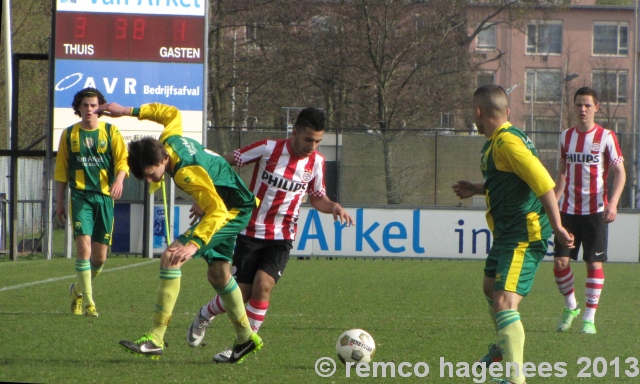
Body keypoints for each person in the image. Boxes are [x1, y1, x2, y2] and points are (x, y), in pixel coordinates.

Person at [185, 107, 354, 363]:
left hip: (282, 236)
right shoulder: (268, 149)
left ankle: (243, 345)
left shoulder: (316, 163)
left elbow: (318, 198)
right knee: (239, 295)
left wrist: (334, 207)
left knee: (263, 286)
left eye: (318, 141)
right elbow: (220, 163)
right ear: (294, 132)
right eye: (308, 139)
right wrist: (208, 197)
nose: (313, 146)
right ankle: (205, 315)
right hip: (249, 232)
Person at [100, 101, 262, 363]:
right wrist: (128, 111)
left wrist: (195, 244)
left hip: (231, 211)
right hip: (232, 204)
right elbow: (171, 113)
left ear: (164, 159)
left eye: (152, 174)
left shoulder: (185, 173)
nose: (152, 180)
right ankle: (245, 339)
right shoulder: (170, 140)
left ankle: (155, 338)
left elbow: (218, 211)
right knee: (219, 275)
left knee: (172, 256)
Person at [452, 84, 574, 384]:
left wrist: (557, 226)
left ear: (478, 112)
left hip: (524, 234)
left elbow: (542, 181)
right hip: (507, 235)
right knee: (490, 288)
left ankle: (515, 379)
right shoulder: (498, 142)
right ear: (506, 112)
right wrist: (478, 189)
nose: (474, 119)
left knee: (504, 302)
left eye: (473, 113)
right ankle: (503, 348)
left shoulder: (506, 142)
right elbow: (512, 181)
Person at [552, 87, 626, 335]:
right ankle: (571, 306)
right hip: (568, 211)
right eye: (578, 105)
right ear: (574, 107)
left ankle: (589, 318)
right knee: (560, 263)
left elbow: (620, 172)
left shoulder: (606, 136)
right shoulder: (565, 136)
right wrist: (555, 200)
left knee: (593, 264)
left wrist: (613, 202)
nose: (582, 109)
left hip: (595, 212)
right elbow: (562, 171)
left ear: (596, 107)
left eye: (587, 105)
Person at [54, 87, 129, 318]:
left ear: (100, 108)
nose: (89, 109)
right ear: (78, 107)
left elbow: (122, 161)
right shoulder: (69, 135)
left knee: (99, 258)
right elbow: (61, 171)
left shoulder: (111, 131)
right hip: (80, 196)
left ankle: (76, 291)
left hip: (105, 198)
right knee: (83, 249)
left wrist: (119, 181)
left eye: (93, 105)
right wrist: (59, 201)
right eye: (85, 105)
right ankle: (89, 303)